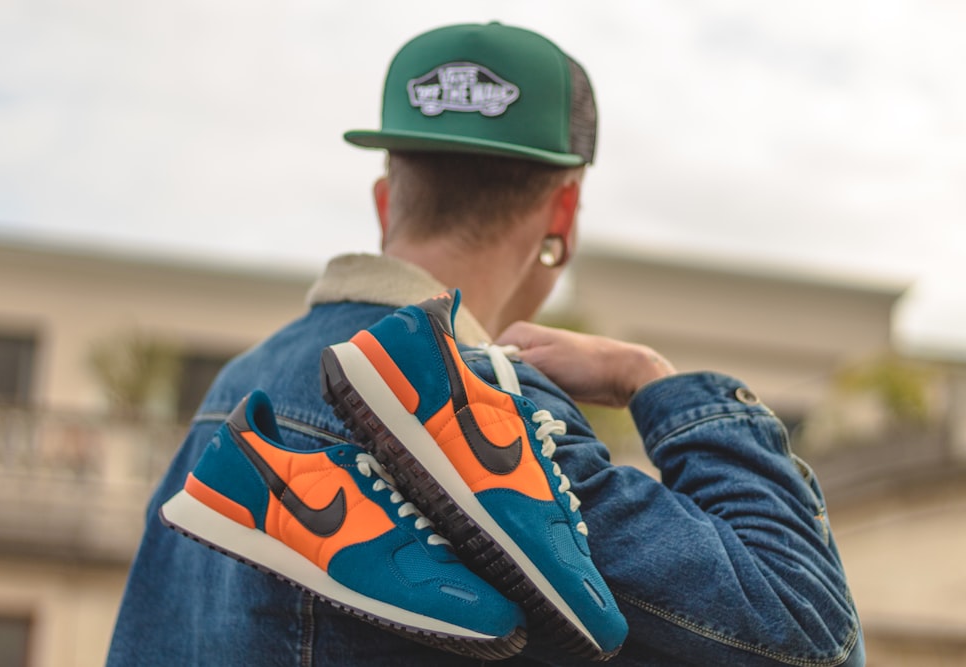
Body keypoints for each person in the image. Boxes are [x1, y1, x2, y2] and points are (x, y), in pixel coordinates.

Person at [107, 21, 865, 666]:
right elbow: (809, 631)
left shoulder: (230, 398)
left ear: (384, 201)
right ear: (562, 213)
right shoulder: (490, 408)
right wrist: (654, 379)